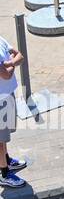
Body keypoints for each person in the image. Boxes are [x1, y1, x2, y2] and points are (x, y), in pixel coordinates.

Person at [0, 33, 27, 188]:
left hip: (7, 95)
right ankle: (4, 174)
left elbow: (20, 56)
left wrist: (7, 63)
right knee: (0, 141)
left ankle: (7, 161)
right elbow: (6, 74)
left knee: (5, 137)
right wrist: (12, 65)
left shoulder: (1, 39)